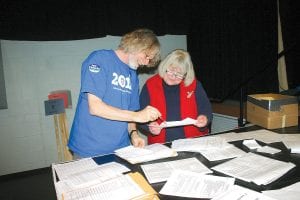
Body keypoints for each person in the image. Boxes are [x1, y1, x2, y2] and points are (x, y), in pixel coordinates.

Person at [68, 28, 162, 158]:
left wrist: (134, 134)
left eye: (149, 60)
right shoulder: (99, 59)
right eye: (147, 56)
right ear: (137, 44)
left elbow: (131, 112)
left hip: (121, 148)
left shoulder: (132, 75)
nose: (146, 63)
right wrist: (138, 116)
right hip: (90, 147)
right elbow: (95, 107)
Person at [139, 49, 212, 144]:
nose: (173, 76)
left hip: (193, 141)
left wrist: (204, 118)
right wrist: (150, 126)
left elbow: (206, 109)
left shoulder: (194, 85)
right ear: (164, 66)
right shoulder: (150, 85)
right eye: (170, 71)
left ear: (186, 74)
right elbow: (139, 113)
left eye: (179, 75)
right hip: (161, 144)